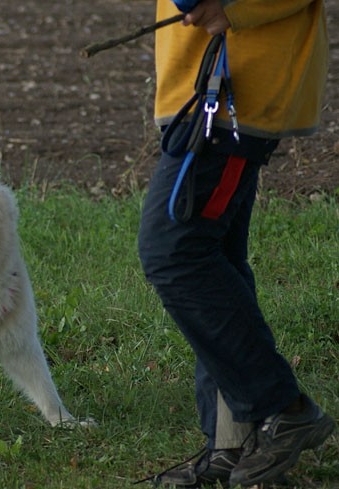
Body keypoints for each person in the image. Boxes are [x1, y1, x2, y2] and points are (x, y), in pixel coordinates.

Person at [137, 0, 335, 486]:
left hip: (232, 93)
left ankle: (282, 408)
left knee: (175, 252)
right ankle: (234, 443)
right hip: (204, 87)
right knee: (214, 256)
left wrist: (235, 7)